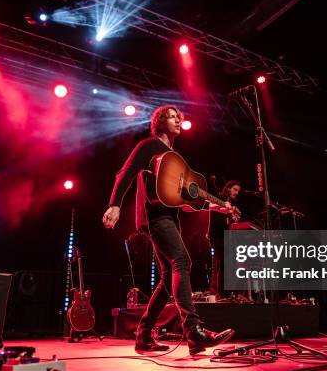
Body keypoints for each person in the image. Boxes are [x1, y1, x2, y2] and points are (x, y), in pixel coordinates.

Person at [102, 105, 235, 355]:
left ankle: (143, 337)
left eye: (178, 117)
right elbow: (125, 172)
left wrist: (216, 207)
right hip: (154, 217)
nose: (177, 120)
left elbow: (185, 204)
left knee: (167, 278)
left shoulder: (176, 158)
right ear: (159, 122)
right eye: (171, 117)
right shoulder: (149, 146)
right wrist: (115, 205)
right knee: (182, 262)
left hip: (168, 217)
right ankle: (193, 331)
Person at [207, 180, 241, 299]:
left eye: (238, 191)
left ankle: (224, 292)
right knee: (221, 263)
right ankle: (220, 293)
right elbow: (210, 206)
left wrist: (234, 216)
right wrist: (225, 208)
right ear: (228, 188)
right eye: (235, 189)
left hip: (225, 235)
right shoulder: (219, 197)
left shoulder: (231, 202)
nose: (237, 192)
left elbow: (229, 219)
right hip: (216, 234)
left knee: (227, 263)